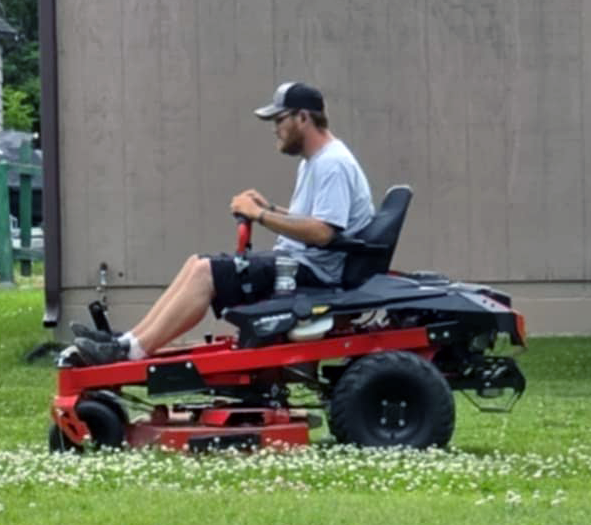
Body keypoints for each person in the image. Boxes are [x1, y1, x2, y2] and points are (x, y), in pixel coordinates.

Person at [71, 82, 374, 365]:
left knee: (205, 272)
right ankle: (125, 342)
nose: (275, 130)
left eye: (279, 120)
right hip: (303, 263)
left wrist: (259, 215)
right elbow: (315, 221)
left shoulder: (332, 164)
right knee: (196, 263)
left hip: (314, 274)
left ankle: (133, 352)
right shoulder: (316, 162)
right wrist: (268, 207)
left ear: (303, 118)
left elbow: (322, 233)